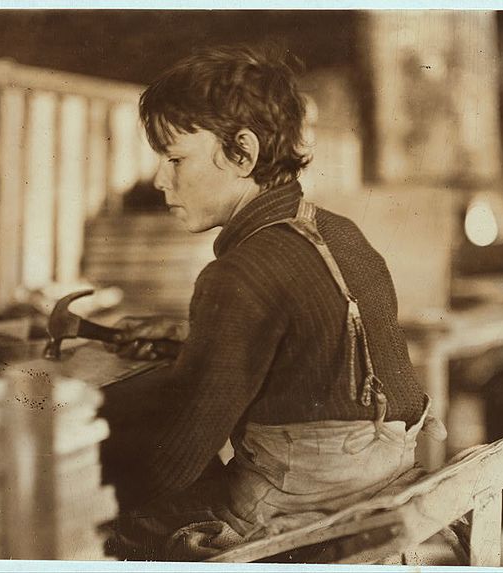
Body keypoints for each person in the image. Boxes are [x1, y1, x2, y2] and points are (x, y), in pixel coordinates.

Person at [100, 44, 447, 562]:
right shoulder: (340, 231)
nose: (159, 179)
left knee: (113, 513)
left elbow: (178, 460)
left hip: (297, 511)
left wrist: (87, 450)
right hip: (382, 480)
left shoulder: (238, 273)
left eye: (175, 158)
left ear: (243, 151)